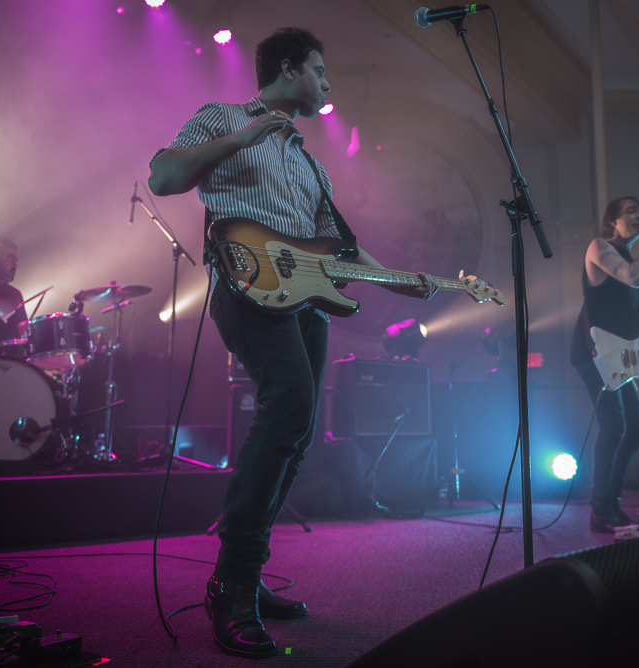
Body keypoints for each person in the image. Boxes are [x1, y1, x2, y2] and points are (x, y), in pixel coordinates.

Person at [148, 28, 437, 659]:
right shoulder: (221, 118)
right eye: (320, 71)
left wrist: (400, 279)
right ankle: (232, 585)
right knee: (287, 410)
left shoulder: (311, 162)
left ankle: (247, 576)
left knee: (300, 429)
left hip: (307, 300)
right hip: (247, 288)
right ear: (288, 68)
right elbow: (164, 175)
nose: (328, 85)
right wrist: (242, 138)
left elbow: (340, 246)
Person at [570, 196, 639, 533]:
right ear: (612, 223)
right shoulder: (599, 248)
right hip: (594, 351)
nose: (638, 216)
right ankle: (601, 507)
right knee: (614, 425)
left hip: (619, 353)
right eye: (630, 212)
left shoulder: (632, 259)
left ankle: (610, 501)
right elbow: (634, 278)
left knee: (637, 427)